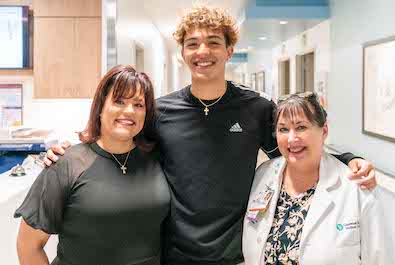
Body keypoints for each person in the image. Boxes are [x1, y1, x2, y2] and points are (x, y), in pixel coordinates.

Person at [44, 5, 376, 265]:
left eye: (214, 42)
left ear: (229, 50)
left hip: (236, 253)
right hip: (173, 254)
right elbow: (119, 145)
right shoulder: (161, 112)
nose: (203, 51)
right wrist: (73, 153)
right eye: (193, 44)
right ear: (183, 53)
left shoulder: (256, 108)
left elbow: (297, 145)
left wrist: (349, 160)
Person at [14, 65, 170, 265]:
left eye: (138, 105)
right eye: (119, 101)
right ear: (100, 108)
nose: (129, 111)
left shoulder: (157, 158)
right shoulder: (67, 164)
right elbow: (29, 246)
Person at [243, 93, 385, 265]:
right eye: (283, 129)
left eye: (301, 127)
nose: (291, 138)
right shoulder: (263, 175)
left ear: (324, 131)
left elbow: (378, 259)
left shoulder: (356, 187)